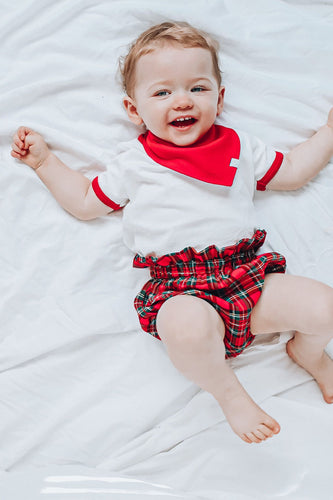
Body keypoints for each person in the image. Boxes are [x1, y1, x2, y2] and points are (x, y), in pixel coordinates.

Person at [11, 21, 333, 444]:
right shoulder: (133, 162)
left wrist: (328, 134)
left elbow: (290, 172)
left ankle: (307, 351)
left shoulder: (238, 145)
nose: (182, 100)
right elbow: (87, 202)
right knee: (183, 329)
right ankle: (229, 393)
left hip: (245, 276)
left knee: (324, 304)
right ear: (134, 110)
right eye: (162, 93)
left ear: (219, 99)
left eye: (197, 88)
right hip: (180, 289)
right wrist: (44, 163)